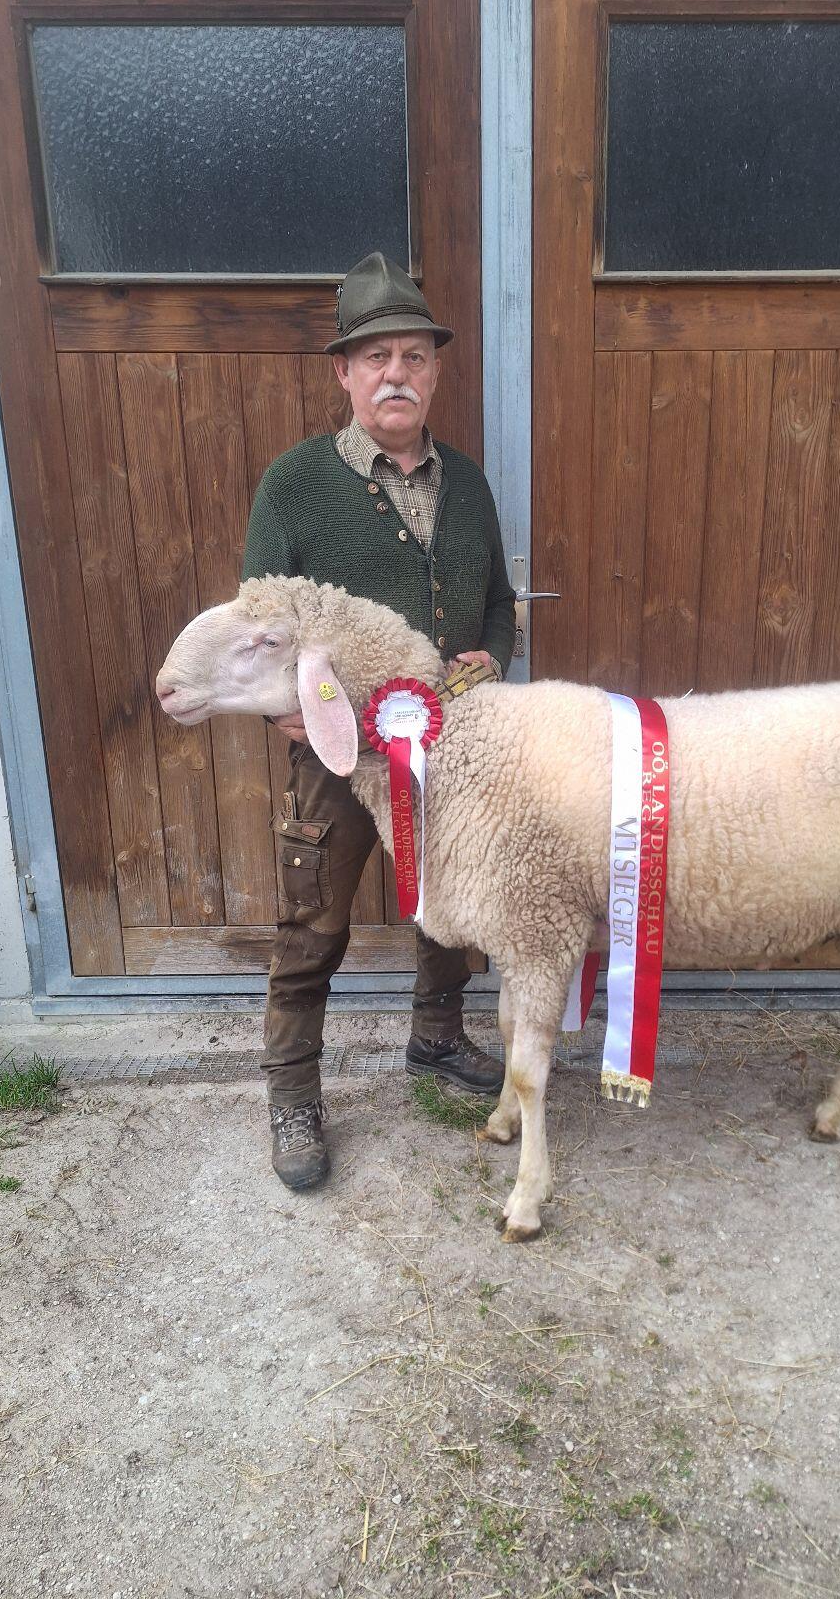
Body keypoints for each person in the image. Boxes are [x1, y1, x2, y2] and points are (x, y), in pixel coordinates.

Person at [242, 252, 516, 1191]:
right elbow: (261, 618)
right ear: (345, 374)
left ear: (435, 370)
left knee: (453, 903)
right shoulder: (294, 485)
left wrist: (493, 658)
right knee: (312, 921)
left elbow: (499, 605)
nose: (396, 373)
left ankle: (437, 1041)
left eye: (413, 355)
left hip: (452, 746)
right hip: (336, 755)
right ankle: (291, 1094)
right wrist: (290, 707)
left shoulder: (468, 484)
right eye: (375, 358)